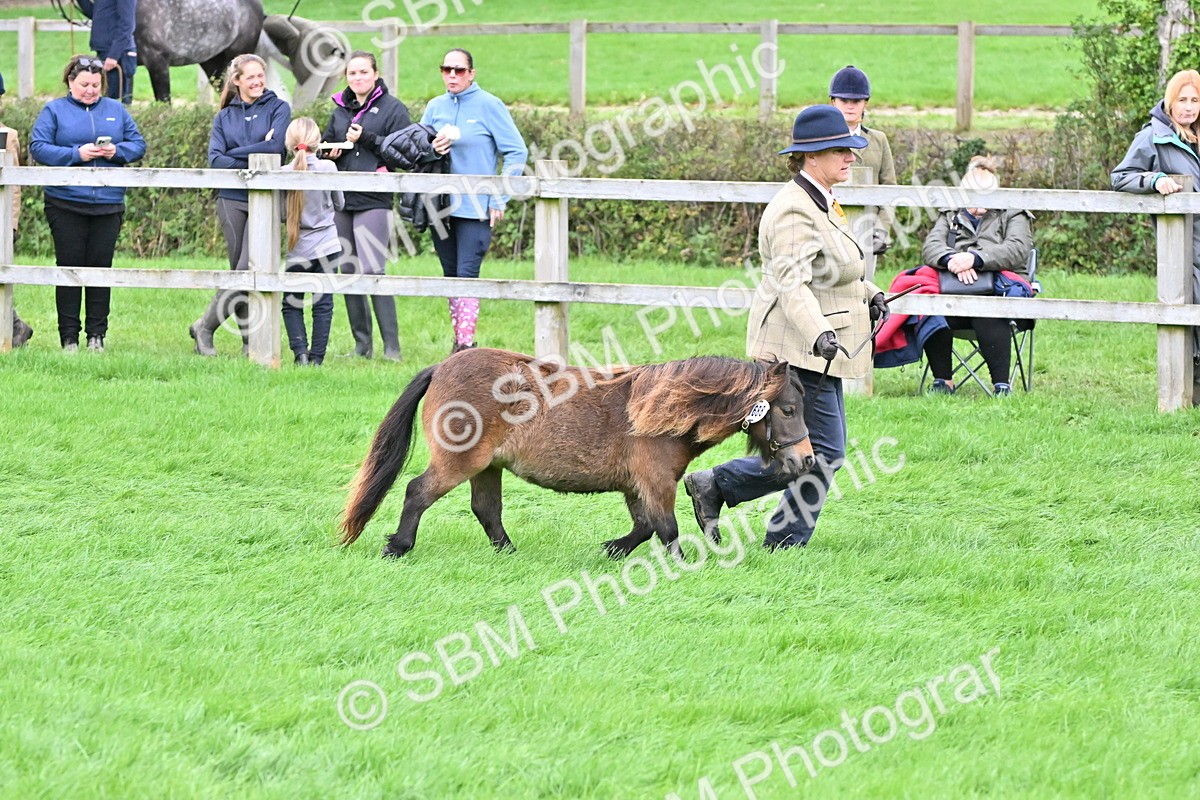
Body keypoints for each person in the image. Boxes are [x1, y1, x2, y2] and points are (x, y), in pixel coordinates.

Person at [682, 105, 888, 550]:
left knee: (820, 451)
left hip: (815, 346)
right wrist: (819, 333)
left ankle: (719, 487)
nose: (852, 157)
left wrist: (871, 291)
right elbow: (793, 285)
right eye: (841, 151)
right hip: (795, 347)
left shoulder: (822, 199)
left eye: (851, 150)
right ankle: (777, 535)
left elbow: (831, 270)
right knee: (825, 453)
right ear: (811, 156)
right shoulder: (793, 210)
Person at [30, 54, 146, 352]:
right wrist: (75, 154)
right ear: (70, 82)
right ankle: (68, 338)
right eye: (84, 84)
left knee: (100, 269)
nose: (90, 90)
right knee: (68, 269)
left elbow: (138, 145)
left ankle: (97, 336)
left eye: (95, 85)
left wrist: (116, 152)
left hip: (108, 203)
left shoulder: (116, 110)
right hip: (65, 202)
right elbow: (39, 147)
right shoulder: (53, 110)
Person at [421, 48, 528, 354]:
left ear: (471, 73)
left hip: (476, 208)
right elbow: (417, 147)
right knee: (450, 275)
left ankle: (464, 346)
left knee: (467, 275)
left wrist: (500, 195)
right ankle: (460, 341)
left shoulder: (489, 105)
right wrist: (432, 148)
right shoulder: (435, 106)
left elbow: (517, 152)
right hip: (440, 205)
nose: (451, 75)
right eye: (446, 69)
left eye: (458, 70)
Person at [189, 54, 290, 357]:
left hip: (266, 198)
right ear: (237, 81)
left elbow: (275, 149)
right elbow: (215, 160)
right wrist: (253, 153)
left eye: (261, 76)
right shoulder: (224, 117)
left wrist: (237, 152)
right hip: (231, 198)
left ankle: (205, 327)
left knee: (248, 267)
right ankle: (248, 343)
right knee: (241, 271)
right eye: (251, 77)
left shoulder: (278, 108)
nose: (258, 81)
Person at [1113, 68, 1200, 388]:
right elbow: (1120, 176)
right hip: (1185, 246)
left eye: (1195, 100)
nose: (1189, 107)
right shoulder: (1153, 135)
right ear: (1170, 101)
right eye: (1182, 100)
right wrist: (1154, 179)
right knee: (1191, 314)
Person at [918, 156, 1034, 396]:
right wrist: (953, 261)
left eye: (987, 194)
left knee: (986, 312)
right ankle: (943, 381)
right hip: (953, 290)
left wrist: (977, 259)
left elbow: (1018, 248)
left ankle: (1001, 385)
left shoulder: (1013, 213)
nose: (981, 202)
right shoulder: (949, 214)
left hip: (1000, 296)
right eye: (974, 194)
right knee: (931, 309)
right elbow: (931, 247)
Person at [322, 50, 411, 360]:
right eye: (352, 73)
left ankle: (392, 348)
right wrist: (327, 153)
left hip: (375, 198)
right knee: (349, 270)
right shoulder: (339, 110)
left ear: (375, 75)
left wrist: (368, 138)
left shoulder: (393, 109)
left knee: (373, 269)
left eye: (363, 72)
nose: (357, 78)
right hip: (342, 198)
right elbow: (327, 142)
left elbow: (404, 153)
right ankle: (362, 346)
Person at [280, 118, 343, 366]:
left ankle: (300, 355)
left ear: (289, 144)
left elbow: (281, 214)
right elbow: (340, 203)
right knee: (323, 303)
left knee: (291, 302)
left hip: (298, 246)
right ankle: (318, 358)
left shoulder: (283, 173)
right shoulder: (329, 168)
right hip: (328, 243)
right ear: (317, 143)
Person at [828, 65, 896, 256]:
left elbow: (889, 190)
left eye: (856, 101)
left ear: (865, 103)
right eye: (844, 100)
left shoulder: (879, 140)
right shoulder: (821, 140)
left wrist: (881, 230)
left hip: (867, 229)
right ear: (833, 102)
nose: (850, 106)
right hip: (830, 228)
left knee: (866, 285)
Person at [1, 69, 33, 346]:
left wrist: (10, 224)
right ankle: (17, 326)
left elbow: (14, 188)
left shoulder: (6, 136)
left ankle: (15, 327)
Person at [75, 0, 138, 105]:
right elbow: (97, 14)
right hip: (105, 51)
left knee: (116, 104)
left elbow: (127, 23)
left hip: (118, 54)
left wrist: (113, 55)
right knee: (104, 102)